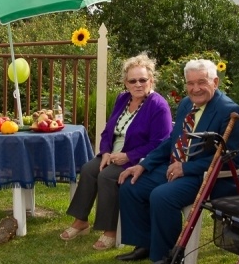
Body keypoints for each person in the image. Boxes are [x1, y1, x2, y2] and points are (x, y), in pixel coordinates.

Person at [116, 58, 239, 262]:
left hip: (208, 177)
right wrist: (143, 164)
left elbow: (232, 159)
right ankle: (145, 244)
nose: (195, 88)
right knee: (131, 185)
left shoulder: (230, 112)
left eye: (201, 82)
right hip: (177, 167)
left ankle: (167, 257)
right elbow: (172, 141)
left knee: (162, 196)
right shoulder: (187, 104)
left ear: (215, 82)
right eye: (190, 83)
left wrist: (186, 168)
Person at [60, 53, 172, 250]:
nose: (138, 84)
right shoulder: (123, 99)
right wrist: (104, 152)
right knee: (88, 169)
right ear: (126, 83)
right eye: (133, 81)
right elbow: (107, 131)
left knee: (107, 177)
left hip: (138, 160)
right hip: (112, 154)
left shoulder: (158, 106)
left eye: (143, 80)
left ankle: (110, 230)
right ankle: (81, 221)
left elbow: (160, 143)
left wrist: (129, 156)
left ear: (151, 80)